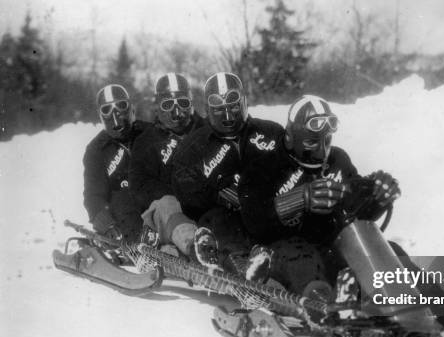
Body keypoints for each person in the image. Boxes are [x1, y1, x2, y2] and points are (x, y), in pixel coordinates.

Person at [237, 94, 400, 294]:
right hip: (282, 254)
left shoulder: (338, 159)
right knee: (302, 257)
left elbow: (355, 217)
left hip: (329, 249)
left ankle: (434, 301)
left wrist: (377, 198)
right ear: (290, 137)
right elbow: (253, 222)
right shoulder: (263, 167)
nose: (322, 151)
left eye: (327, 140)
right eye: (312, 142)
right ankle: (321, 307)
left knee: (390, 251)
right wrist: (299, 199)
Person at [170, 72, 286, 267]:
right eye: (218, 108)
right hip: (224, 219)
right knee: (216, 219)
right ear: (208, 110)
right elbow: (185, 189)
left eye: (233, 105)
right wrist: (215, 191)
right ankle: (240, 266)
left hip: (270, 212)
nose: (227, 114)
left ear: (244, 102)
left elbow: (292, 168)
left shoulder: (271, 132)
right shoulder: (193, 145)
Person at [128, 73, 207, 256]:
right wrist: (178, 192)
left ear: (191, 104)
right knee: (167, 204)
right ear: (157, 108)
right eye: (167, 105)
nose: (177, 112)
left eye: (183, 103)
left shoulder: (206, 131)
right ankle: (193, 248)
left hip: (203, 205)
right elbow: (139, 185)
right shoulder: (145, 142)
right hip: (168, 209)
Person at [83, 84, 150, 243]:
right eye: (107, 110)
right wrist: (106, 225)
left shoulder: (149, 133)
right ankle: (141, 246)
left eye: (121, 106)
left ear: (131, 108)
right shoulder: (97, 150)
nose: (115, 114)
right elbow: (93, 195)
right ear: (101, 115)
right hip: (123, 208)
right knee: (122, 198)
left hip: (153, 198)